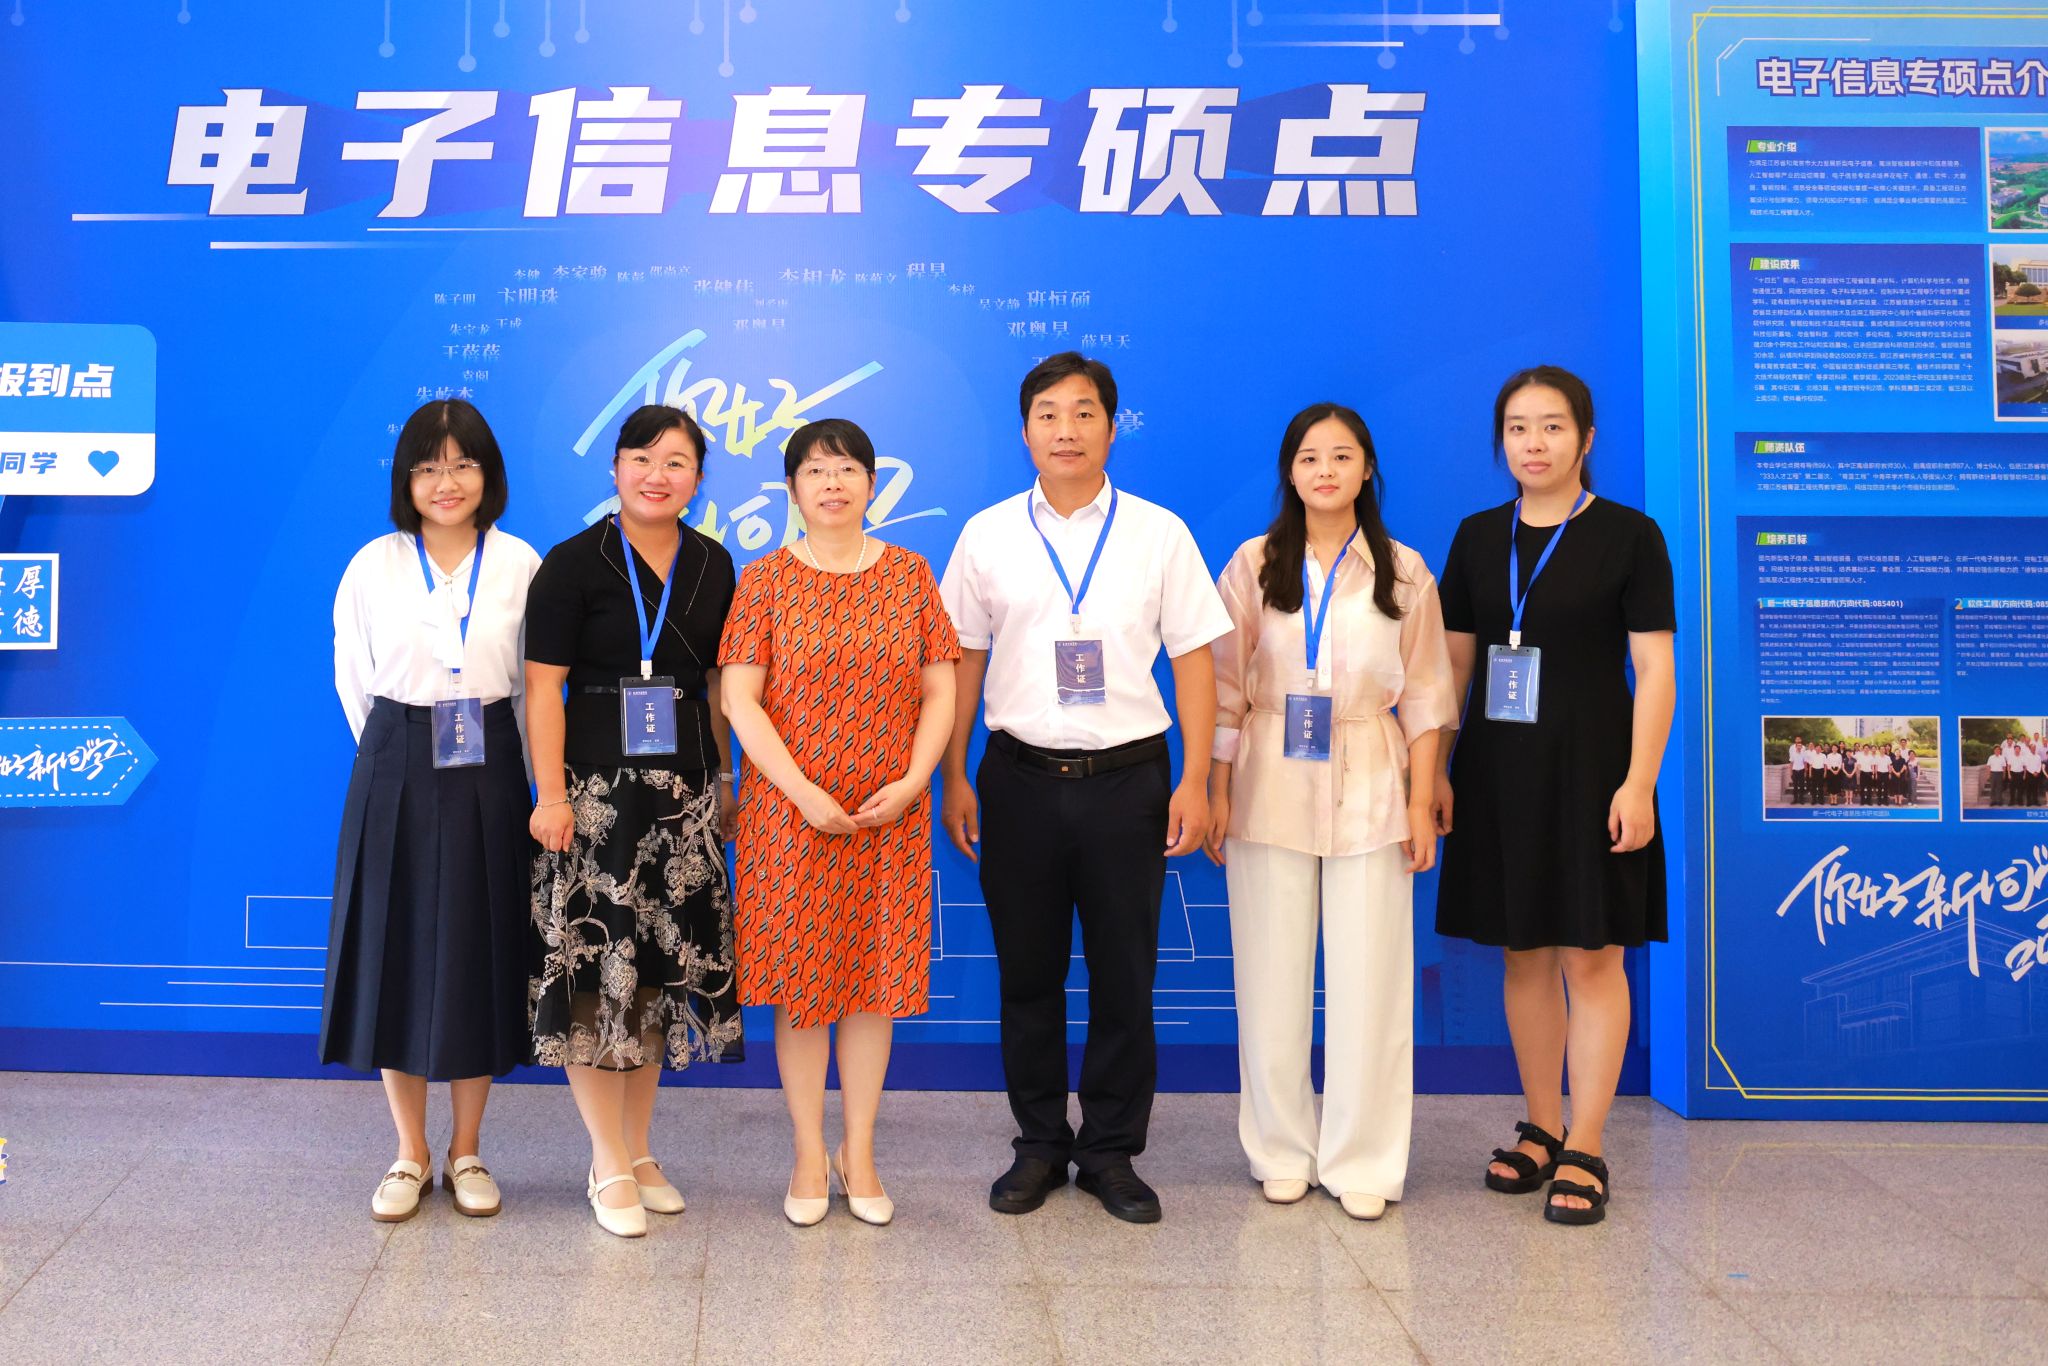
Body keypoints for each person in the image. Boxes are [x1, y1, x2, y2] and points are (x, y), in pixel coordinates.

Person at [939, 352, 1232, 1225]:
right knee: (1027, 976)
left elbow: (1195, 661)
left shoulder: (1159, 532)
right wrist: (954, 774)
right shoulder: (988, 534)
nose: (1065, 430)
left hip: (1129, 782)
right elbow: (961, 661)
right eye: (1048, 414)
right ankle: (1038, 1144)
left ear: (1112, 426)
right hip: (1018, 779)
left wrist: (1195, 780)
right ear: (1024, 430)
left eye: (1083, 413)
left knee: (1124, 978)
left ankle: (1110, 1151)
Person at [1431, 365, 1676, 1227]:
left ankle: (1588, 1144)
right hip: (1498, 777)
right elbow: (1453, 670)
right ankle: (1541, 1126)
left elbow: (1654, 671)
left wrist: (1640, 782)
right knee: (1523, 953)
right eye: (1518, 428)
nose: (1533, 443)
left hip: (1594, 773)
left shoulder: (1629, 535)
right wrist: (1436, 770)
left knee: (1593, 956)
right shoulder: (1475, 537)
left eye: (1552, 426)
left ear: (1586, 438)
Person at [1203, 403, 1454, 1221]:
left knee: (1372, 981)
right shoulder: (1253, 564)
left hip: (1372, 777)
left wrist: (1422, 799)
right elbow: (1224, 690)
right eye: (1309, 457)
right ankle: (1279, 1149)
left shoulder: (1404, 570)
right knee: (1269, 977)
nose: (1325, 471)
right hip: (1267, 782)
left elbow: (1427, 695)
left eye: (1342, 456)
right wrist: (1214, 790)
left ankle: (1364, 1160)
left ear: (1367, 469)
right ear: (1290, 470)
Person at [717, 418, 959, 1229]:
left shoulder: (910, 574)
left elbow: (941, 689)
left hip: (889, 814)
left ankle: (860, 1151)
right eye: (815, 471)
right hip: (790, 819)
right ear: (792, 489)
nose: (832, 483)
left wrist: (915, 780)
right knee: (803, 992)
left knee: (870, 987)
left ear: (871, 484)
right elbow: (739, 699)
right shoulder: (764, 580)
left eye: (848, 469)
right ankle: (806, 1153)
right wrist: (801, 794)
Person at [525, 405, 743, 1238]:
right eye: (643, 458)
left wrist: (725, 779)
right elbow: (542, 688)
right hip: (594, 799)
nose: (659, 475)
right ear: (615, 468)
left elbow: (719, 686)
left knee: (655, 971)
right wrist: (550, 795)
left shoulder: (714, 563)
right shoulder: (572, 563)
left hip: (683, 799)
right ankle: (605, 1158)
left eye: (677, 461)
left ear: (699, 478)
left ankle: (640, 1148)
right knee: (595, 973)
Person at [323, 398, 542, 1223]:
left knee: (479, 949)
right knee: (398, 948)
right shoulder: (373, 564)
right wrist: (399, 754)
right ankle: (410, 1152)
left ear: (489, 474)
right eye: (427, 467)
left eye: (462, 464)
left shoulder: (520, 563)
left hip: (492, 760)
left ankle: (468, 1149)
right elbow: (353, 677)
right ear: (405, 480)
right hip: (398, 760)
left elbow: (533, 687)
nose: (446, 483)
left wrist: (526, 780)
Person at [1786, 735, 1807, 805]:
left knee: (1801, 786)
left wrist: (1805, 772)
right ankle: (1795, 799)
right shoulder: (1793, 754)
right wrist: (1790, 772)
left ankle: (1801, 800)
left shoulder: (1803, 753)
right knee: (1795, 786)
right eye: (1798, 746)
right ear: (1796, 747)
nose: (1799, 747)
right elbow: (1791, 763)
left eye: (1800, 746)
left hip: (1801, 771)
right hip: (1795, 771)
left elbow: (1805, 763)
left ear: (1801, 747)